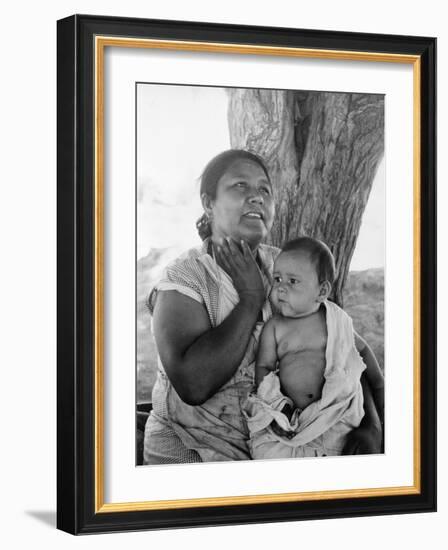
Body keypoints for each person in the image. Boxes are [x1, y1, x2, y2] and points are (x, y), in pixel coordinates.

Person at [143, 149, 382, 464]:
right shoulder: (185, 279)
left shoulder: (287, 268)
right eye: (240, 186)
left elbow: (342, 349)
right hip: (197, 450)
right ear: (208, 202)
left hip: (286, 445)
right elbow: (193, 385)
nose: (256, 197)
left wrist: (372, 425)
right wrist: (251, 296)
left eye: (264, 190)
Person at [244, 237, 384, 459]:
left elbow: (362, 352)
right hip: (290, 419)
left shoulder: (335, 320)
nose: (280, 287)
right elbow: (264, 368)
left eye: (293, 281)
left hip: (335, 415)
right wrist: (276, 407)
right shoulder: (275, 327)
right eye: (277, 279)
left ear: (321, 291)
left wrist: (379, 387)